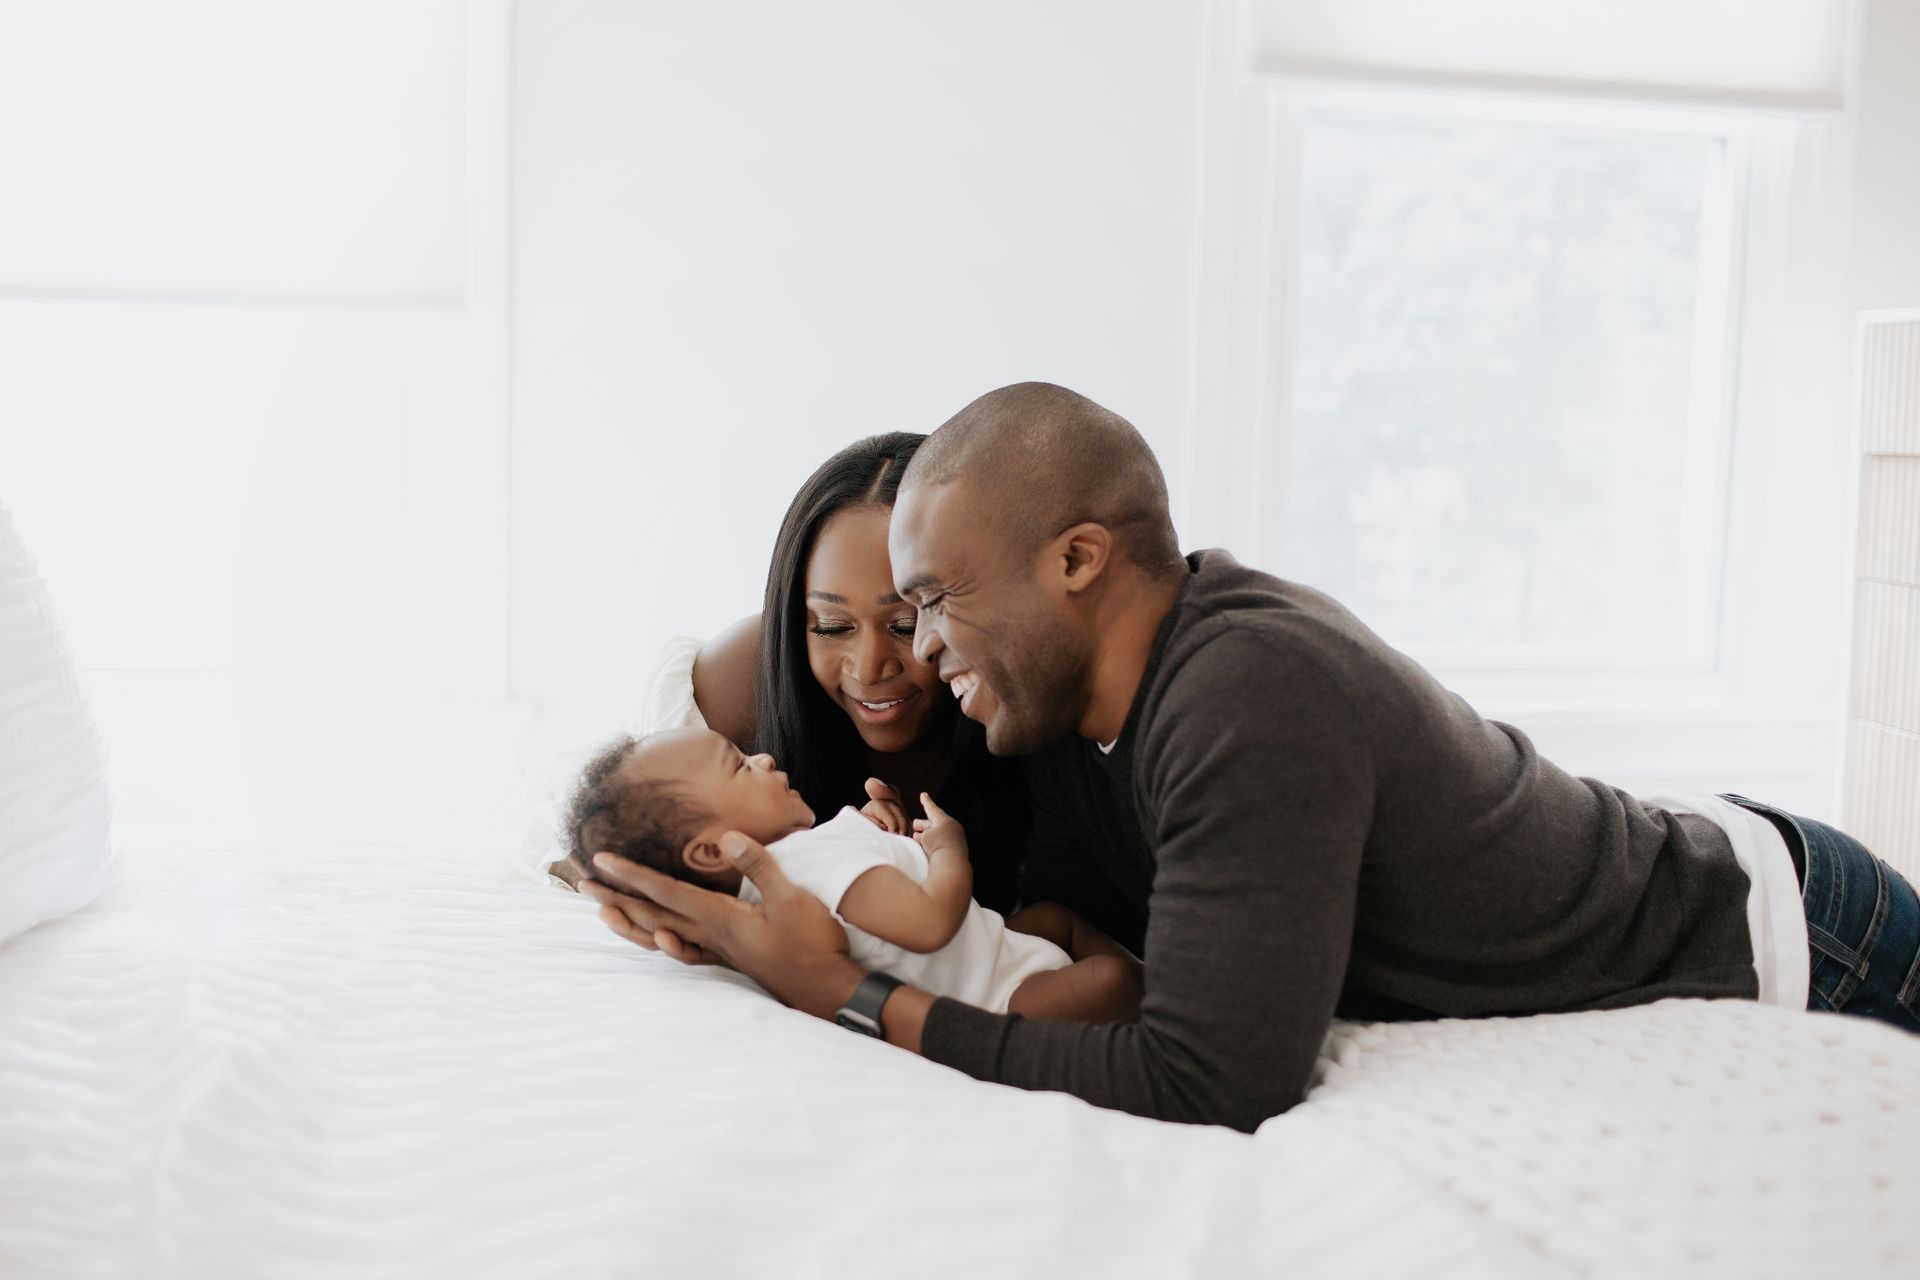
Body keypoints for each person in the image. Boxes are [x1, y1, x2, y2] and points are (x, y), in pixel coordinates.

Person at [576, 381, 1920, 1133]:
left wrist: (852, 1002)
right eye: (867, 620)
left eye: (931, 602)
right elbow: (708, 727)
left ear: (1077, 562)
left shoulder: (1246, 697)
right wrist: (650, 879)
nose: (913, 652)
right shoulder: (1054, 708)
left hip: (1805, 933)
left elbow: (1210, 1075)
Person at [554, 431, 1028, 915]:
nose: (868, 667)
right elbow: (619, 841)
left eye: (906, 625)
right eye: (832, 626)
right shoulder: (736, 678)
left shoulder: (1039, 699)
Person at [564, 726, 1142, 1020]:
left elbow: (870, 909)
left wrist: (877, 835)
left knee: (1053, 921)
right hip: (997, 999)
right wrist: (949, 849)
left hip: (997, 954)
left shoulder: (788, 883)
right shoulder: (809, 864)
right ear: (714, 853)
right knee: (1111, 984)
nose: (762, 758)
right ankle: (1159, 1002)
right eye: (739, 766)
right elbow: (930, 923)